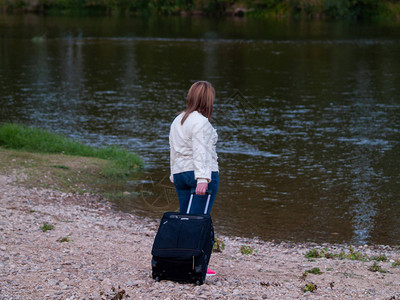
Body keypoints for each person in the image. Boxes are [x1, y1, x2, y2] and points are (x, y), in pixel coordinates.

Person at [169, 81, 219, 276]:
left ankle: (182, 261)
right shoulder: (201, 122)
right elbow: (201, 150)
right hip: (200, 175)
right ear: (207, 100)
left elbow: (173, 149)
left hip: (181, 174)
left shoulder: (178, 120)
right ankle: (194, 267)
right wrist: (203, 179)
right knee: (197, 223)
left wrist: (174, 175)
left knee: (185, 221)